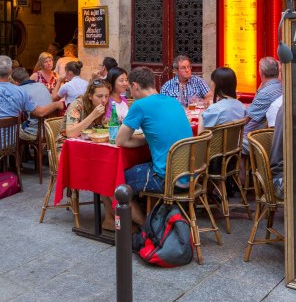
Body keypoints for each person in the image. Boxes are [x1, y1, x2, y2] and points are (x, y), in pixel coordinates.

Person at [0, 56, 63, 179]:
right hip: (11, 142)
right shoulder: (20, 91)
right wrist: (57, 104)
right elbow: (39, 112)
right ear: (10, 72)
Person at [116, 67, 193, 226]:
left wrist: (144, 139)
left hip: (166, 178)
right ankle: (152, 217)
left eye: (130, 88)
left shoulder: (140, 105)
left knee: (115, 181)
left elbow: (120, 141)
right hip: (190, 175)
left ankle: (146, 227)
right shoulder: (172, 101)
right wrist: (149, 138)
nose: (130, 92)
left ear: (135, 85)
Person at [64, 78, 117, 229]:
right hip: (67, 149)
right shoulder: (77, 105)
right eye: (100, 96)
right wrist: (93, 115)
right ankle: (110, 217)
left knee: (107, 167)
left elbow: (103, 127)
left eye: (107, 96)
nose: (104, 100)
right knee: (103, 169)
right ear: (90, 96)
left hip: (89, 147)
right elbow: (70, 133)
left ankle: (110, 217)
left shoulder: (105, 106)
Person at [12, 67, 57, 156]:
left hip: (34, 132)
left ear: (16, 82)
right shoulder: (41, 85)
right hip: (49, 129)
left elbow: (15, 111)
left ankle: (17, 164)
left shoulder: (20, 91)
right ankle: (27, 156)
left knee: (13, 131)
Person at [243, 57, 284, 140]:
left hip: (251, 139)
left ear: (260, 72)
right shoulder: (280, 87)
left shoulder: (265, 93)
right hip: (263, 136)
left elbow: (244, 121)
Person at [200, 67, 246, 133]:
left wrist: (202, 115)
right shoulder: (241, 106)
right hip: (235, 143)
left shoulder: (214, 109)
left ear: (215, 84)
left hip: (215, 143)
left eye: (212, 81)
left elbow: (202, 137)